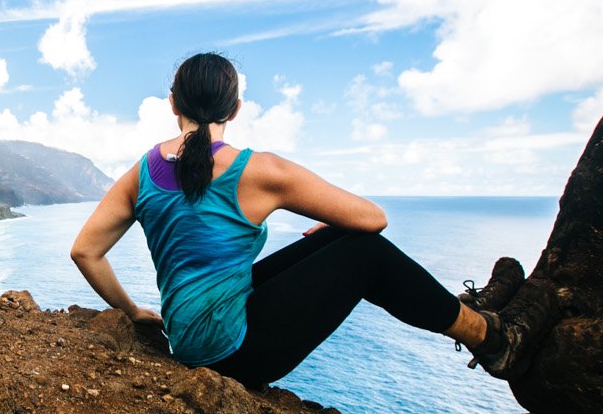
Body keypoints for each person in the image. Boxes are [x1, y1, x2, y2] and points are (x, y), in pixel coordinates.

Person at [70, 52, 540, 389]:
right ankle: (490, 337)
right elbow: (374, 219)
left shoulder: (142, 172)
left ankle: (476, 315)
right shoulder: (260, 170)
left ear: (173, 105)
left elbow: (85, 251)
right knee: (364, 251)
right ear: (234, 109)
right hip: (233, 353)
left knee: (336, 240)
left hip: (189, 337)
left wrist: (133, 312)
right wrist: (340, 230)